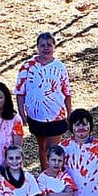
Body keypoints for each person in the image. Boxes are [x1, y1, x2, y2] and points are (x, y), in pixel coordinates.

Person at [17, 31, 72, 161]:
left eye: (49, 45)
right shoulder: (27, 66)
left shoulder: (60, 67)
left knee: (52, 149)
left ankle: (55, 175)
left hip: (56, 115)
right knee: (42, 148)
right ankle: (44, 175)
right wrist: (22, 112)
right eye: (42, 45)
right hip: (36, 116)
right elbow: (20, 92)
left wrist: (70, 112)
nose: (46, 48)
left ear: (54, 47)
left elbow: (67, 92)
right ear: (37, 47)